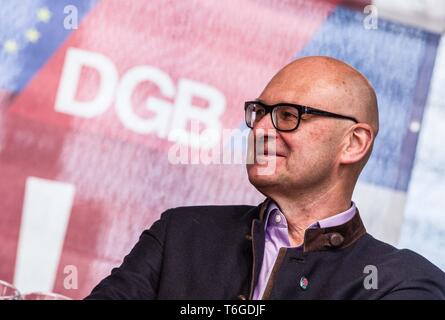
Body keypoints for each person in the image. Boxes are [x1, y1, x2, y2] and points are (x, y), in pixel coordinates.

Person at [86, 56, 445, 300]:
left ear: (353, 143)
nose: (260, 129)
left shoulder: (403, 282)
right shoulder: (181, 232)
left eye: (288, 115)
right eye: (258, 113)